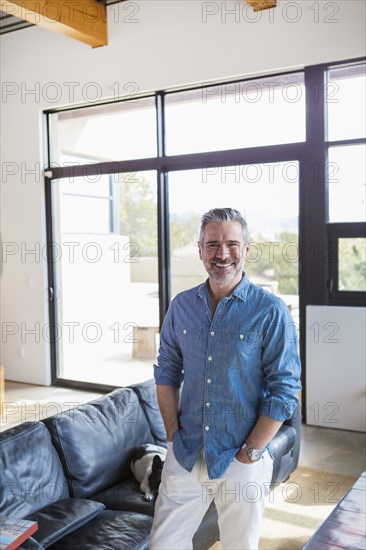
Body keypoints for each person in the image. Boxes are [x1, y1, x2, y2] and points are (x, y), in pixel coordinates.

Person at [150, 207, 301, 550]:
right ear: (200, 249)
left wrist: (250, 452)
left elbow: (286, 389)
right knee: (163, 543)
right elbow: (167, 372)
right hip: (187, 453)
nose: (223, 254)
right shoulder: (181, 306)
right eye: (213, 244)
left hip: (242, 456)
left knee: (239, 545)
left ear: (246, 249)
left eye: (232, 244)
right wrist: (173, 437)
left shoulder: (270, 311)